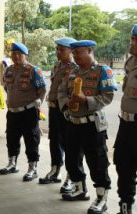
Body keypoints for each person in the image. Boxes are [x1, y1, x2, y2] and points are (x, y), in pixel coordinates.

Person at [58, 40, 117, 214]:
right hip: (73, 123)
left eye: (78, 53)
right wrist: (66, 105)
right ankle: (80, 189)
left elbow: (107, 97)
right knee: (71, 160)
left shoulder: (102, 71)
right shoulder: (72, 72)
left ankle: (101, 198)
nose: (75, 56)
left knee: (97, 163)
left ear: (90, 51)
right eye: (73, 53)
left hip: (92, 125)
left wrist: (86, 100)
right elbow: (62, 91)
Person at [0, 42, 46, 182]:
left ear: (25, 55)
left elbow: (42, 89)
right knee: (11, 138)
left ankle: (33, 168)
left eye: (19, 54)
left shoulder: (33, 70)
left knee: (31, 140)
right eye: (13, 54)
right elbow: (7, 87)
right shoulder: (9, 70)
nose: (16, 56)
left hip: (28, 112)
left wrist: (39, 102)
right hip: (13, 112)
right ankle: (12, 164)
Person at [103, 24, 137, 214]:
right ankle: (125, 212)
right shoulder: (131, 62)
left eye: (135, 40)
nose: (131, 43)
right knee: (123, 166)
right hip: (126, 124)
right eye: (132, 39)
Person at [39, 37, 81, 194]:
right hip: (54, 109)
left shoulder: (76, 67)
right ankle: (55, 170)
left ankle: (71, 177)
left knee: (70, 144)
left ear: (71, 51)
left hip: (67, 110)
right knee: (54, 140)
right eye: (57, 49)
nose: (58, 52)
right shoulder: (57, 65)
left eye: (61, 49)